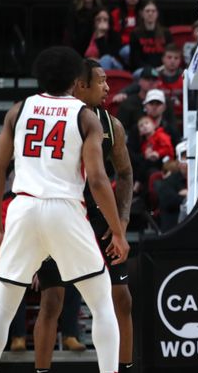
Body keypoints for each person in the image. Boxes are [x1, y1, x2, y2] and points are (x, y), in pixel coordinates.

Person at [0, 47, 128, 373]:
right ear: (76, 79)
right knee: (102, 305)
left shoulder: (18, 110)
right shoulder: (84, 115)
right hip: (64, 210)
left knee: (2, 309)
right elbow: (100, 180)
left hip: (23, 206)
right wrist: (117, 230)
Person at [33, 59, 134, 373]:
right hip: (58, 212)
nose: (108, 87)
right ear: (80, 84)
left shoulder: (111, 124)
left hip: (98, 216)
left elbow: (126, 174)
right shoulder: (51, 117)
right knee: (52, 301)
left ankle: (124, 366)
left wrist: (123, 220)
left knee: (122, 299)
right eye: (102, 81)